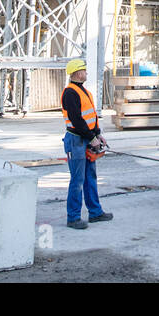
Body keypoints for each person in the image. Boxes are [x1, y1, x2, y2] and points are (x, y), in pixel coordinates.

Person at [61, 58, 112, 229]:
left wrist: (98, 135)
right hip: (76, 140)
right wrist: (92, 138)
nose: (86, 73)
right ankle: (73, 217)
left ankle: (95, 212)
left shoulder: (84, 92)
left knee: (90, 177)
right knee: (77, 179)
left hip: (86, 137)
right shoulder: (70, 93)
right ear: (77, 73)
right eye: (84, 70)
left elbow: (91, 117)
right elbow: (76, 120)